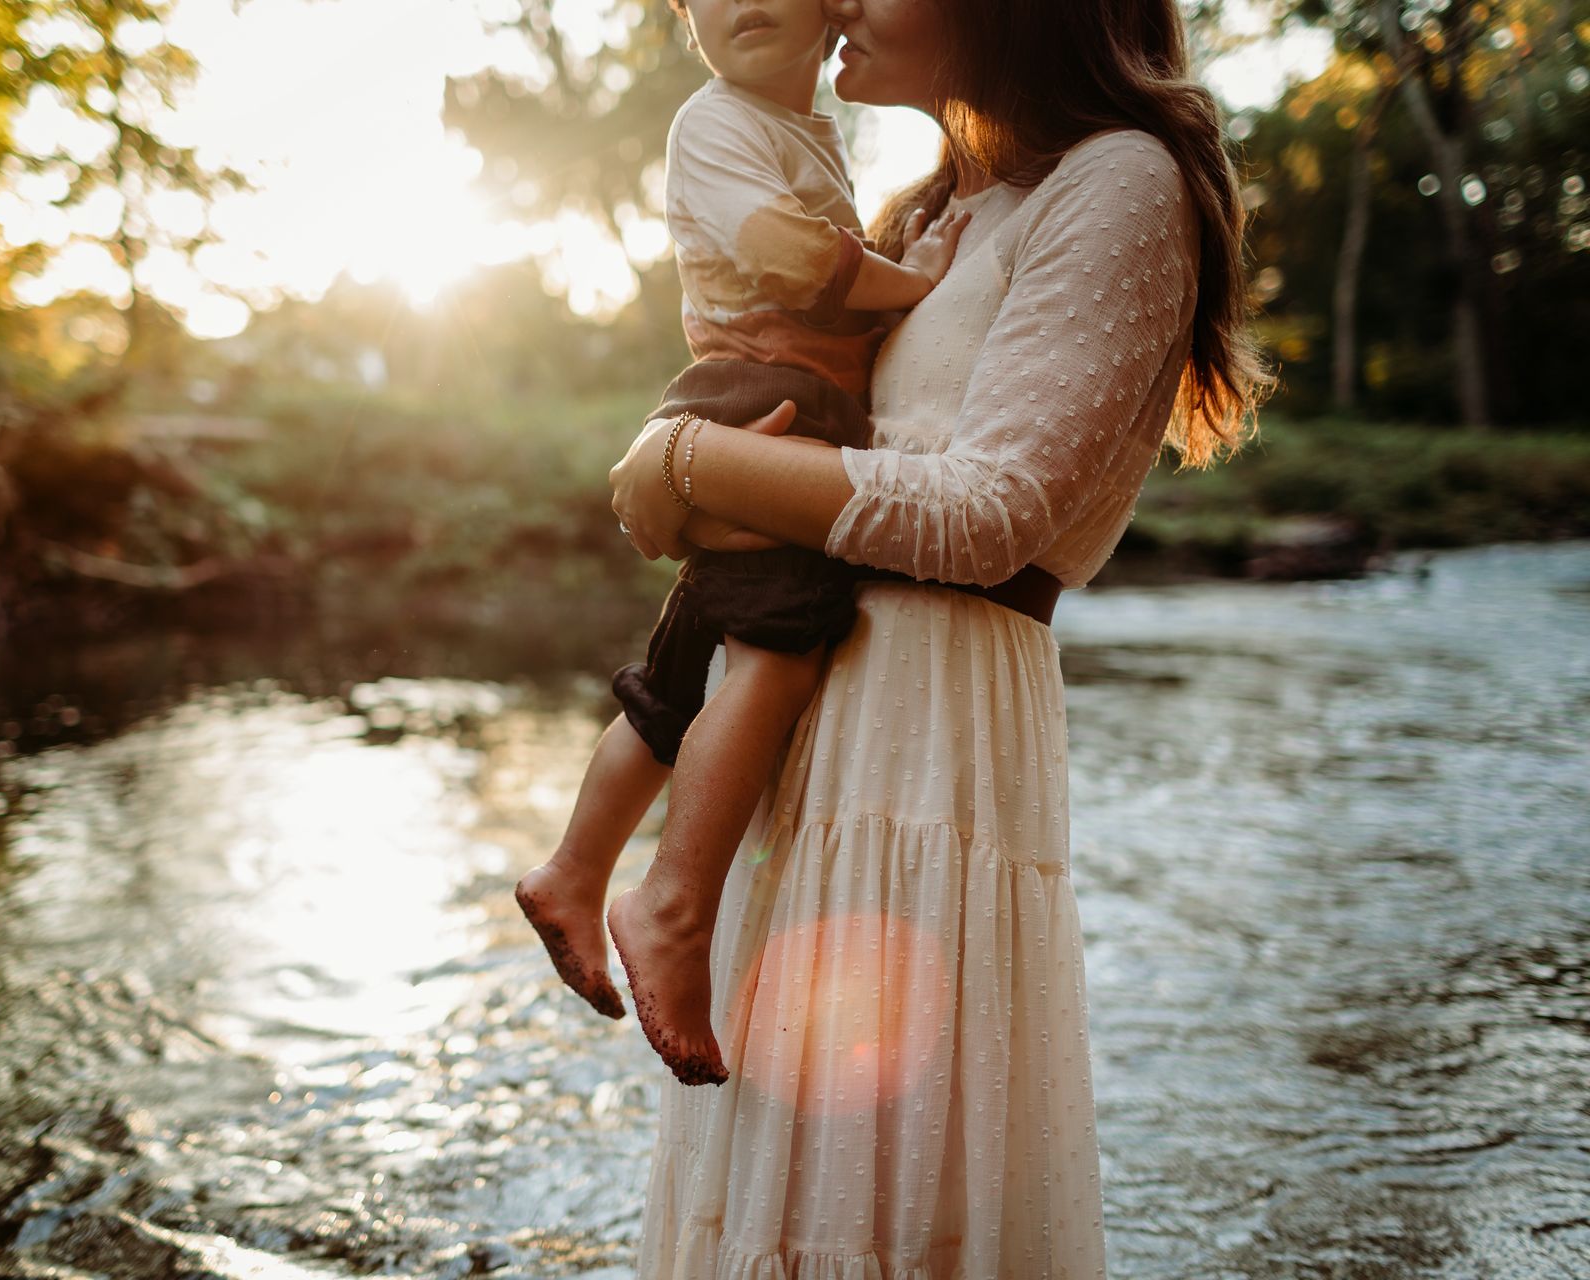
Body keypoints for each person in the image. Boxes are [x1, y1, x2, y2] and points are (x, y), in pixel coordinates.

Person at [607, 0, 1267, 1273]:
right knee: (777, 1188)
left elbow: (991, 516)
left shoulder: (1121, 180)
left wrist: (689, 456)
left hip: (937, 733)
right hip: (819, 735)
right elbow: (809, 418)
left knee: (891, 1199)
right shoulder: (918, 215)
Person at [514, 0, 970, 1087]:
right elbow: (789, 255)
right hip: (772, 391)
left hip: (758, 394)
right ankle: (671, 902)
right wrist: (917, 283)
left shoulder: (798, 126)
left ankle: (573, 870)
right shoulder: (716, 125)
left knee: (679, 673)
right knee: (778, 651)